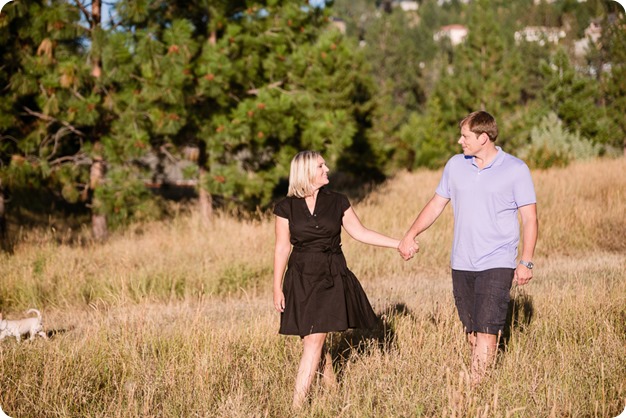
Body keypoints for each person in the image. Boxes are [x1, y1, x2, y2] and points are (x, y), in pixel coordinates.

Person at [399, 110, 538, 385]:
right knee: (472, 331)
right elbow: (437, 203)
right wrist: (411, 234)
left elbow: (530, 218)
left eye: (465, 136)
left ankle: (474, 393)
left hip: (497, 261)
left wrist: (526, 261)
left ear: (483, 137)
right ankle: (480, 382)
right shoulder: (455, 165)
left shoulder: (516, 170)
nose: (459, 141)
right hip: (461, 262)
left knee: (487, 330)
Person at [273, 150, 411, 409]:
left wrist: (398, 244)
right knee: (313, 339)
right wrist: (276, 287)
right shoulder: (285, 207)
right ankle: (333, 394)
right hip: (300, 278)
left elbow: (361, 233)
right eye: (321, 166)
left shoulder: (338, 202)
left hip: (331, 274)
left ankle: (296, 408)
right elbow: (281, 248)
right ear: (306, 172)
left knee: (314, 340)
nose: (327, 170)